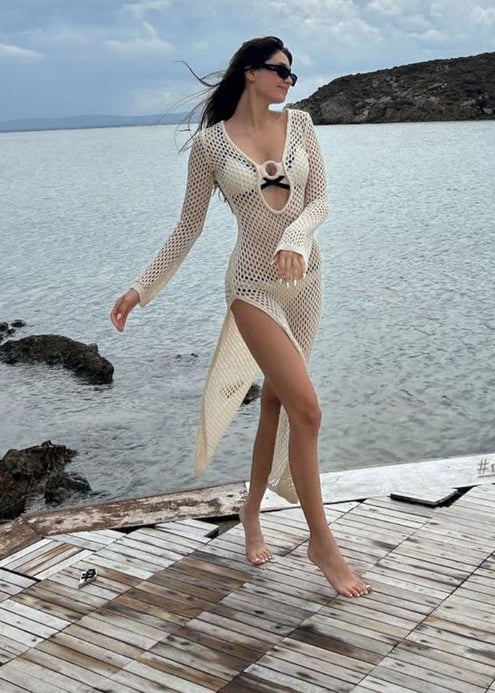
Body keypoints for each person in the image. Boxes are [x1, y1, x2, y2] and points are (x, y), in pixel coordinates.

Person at [110, 36, 371, 598]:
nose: (288, 81)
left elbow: (320, 202)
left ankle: (251, 511)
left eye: (292, 74)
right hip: (252, 286)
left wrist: (296, 237)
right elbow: (188, 227)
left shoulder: (300, 125)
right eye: (279, 70)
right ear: (251, 73)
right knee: (308, 409)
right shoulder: (211, 145)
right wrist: (140, 288)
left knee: (277, 404)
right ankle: (321, 543)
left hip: (305, 282)